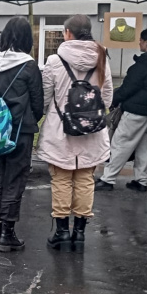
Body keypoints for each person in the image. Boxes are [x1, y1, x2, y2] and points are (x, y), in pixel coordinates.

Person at [36, 14, 113, 252]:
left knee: (60, 180)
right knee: (85, 180)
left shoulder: (54, 60)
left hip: (60, 130)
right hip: (92, 131)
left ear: (68, 33)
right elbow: (107, 96)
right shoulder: (102, 57)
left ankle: (61, 232)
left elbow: (45, 97)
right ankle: (79, 234)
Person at [0, 17, 44, 253]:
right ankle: (8, 232)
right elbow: (38, 102)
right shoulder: (29, 65)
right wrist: (29, 119)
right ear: (27, 39)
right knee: (15, 180)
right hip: (20, 131)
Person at [96, 27, 147, 193]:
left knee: (120, 143)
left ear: (146, 42)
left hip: (136, 111)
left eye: (141, 40)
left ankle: (107, 179)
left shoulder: (143, 65)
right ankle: (141, 181)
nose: (139, 42)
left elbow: (128, 88)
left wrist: (113, 100)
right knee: (145, 146)